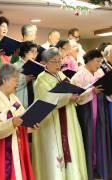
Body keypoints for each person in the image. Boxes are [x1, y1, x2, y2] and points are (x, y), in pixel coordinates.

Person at [32, 47, 87, 180]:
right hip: (52, 121)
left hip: (68, 116)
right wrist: (68, 98)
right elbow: (46, 99)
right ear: (45, 62)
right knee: (55, 153)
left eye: (59, 61)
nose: (58, 64)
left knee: (72, 148)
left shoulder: (62, 75)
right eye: (54, 61)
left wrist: (76, 95)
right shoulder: (41, 79)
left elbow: (70, 91)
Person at [0, 64, 35, 180]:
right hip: (0, 152)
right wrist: (11, 123)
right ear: (4, 80)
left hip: (17, 147)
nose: (18, 83)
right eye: (15, 80)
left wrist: (31, 124)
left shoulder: (14, 98)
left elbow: (23, 119)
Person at [71, 49, 112, 180]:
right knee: (88, 138)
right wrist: (92, 91)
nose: (99, 64)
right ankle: (89, 171)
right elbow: (76, 98)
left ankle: (101, 169)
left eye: (101, 61)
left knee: (101, 137)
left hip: (100, 108)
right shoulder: (78, 76)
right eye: (97, 61)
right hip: (86, 111)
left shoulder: (100, 73)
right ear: (88, 60)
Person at [15, 41, 38, 108]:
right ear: (25, 52)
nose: (34, 54)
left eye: (36, 52)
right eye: (32, 51)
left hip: (33, 103)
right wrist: (25, 79)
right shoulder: (15, 67)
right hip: (20, 103)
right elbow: (10, 87)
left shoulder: (36, 66)